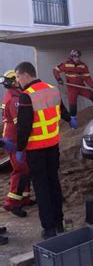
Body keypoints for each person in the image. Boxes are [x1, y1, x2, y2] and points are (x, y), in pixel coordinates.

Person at [15, 62, 78, 239]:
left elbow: (24, 127)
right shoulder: (52, 89)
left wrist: (20, 149)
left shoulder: (26, 96)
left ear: (26, 75)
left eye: (18, 77)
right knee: (54, 183)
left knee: (41, 188)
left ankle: (49, 229)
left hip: (36, 150)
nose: (18, 81)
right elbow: (62, 110)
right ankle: (59, 222)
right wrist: (70, 119)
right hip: (52, 146)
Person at [0, 70, 34, 218]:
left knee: (26, 170)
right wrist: (21, 145)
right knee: (20, 171)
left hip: (13, 137)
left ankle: (24, 198)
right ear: (14, 81)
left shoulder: (13, 95)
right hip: (14, 139)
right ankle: (11, 203)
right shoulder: (15, 99)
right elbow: (20, 124)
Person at [53, 49, 93, 122]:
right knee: (72, 105)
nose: (77, 59)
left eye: (78, 57)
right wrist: (59, 79)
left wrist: (92, 86)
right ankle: (73, 122)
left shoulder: (83, 66)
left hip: (81, 86)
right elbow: (55, 70)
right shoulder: (66, 64)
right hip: (72, 88)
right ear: (72, 57)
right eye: (75, 57)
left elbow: (87, 77)